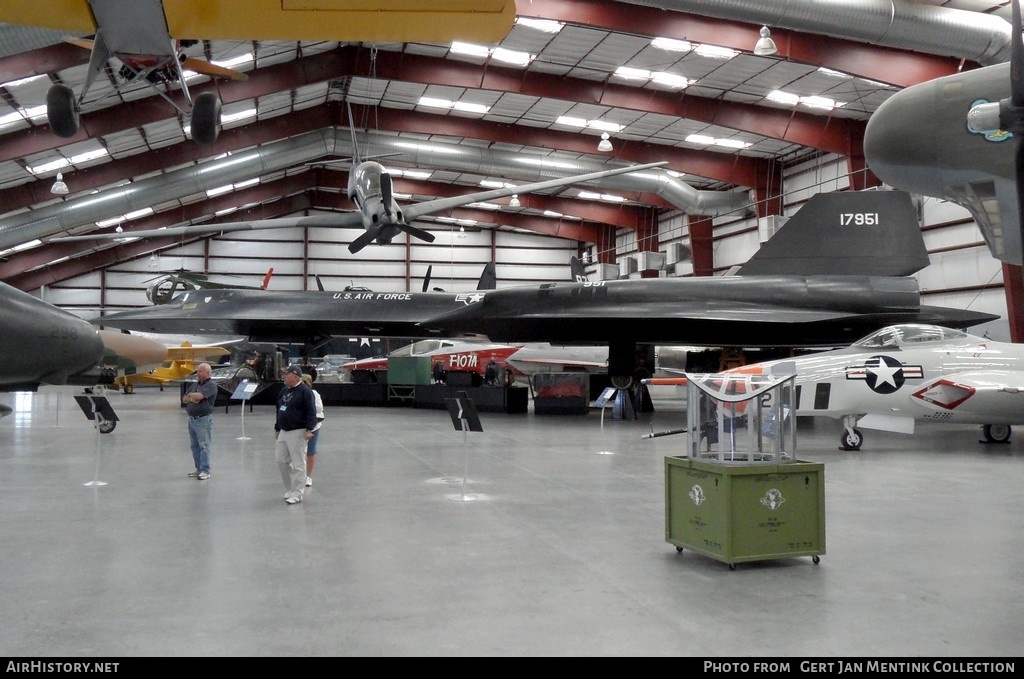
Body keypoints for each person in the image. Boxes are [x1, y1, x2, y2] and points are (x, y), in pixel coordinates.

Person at [274, 365, 318, 505]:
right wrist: (277, 427)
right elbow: (278, 409)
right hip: (284, 431)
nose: (284, 377)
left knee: (298, 463)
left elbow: (311, 411)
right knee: (281, 460)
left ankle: (297, 493)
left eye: (286, 374)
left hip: (298, 431)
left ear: (295, 375)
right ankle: (290, 488)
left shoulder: (305, 392)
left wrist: (309, 429)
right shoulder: (284, 390)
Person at [182, 362, 218, 480]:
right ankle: (199, 469)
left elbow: (199, 397)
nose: (197, 373)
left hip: (203, 420)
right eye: (197, 371)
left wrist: (193, 397)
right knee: (194, 446)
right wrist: (193, 397)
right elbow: (184, 399)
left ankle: (205, 470)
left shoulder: (211, 385)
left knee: (204, 445)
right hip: (192, 420)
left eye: (200, 371)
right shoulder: (194, 385)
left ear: (207, 373)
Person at [301, 373, 325, 487]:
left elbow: (320, 407)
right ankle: (299, 475)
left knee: (310, 452)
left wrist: (307, 405)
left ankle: (308, 476)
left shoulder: (314, 394)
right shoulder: (294, 393)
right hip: (298, 426)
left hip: (313, 427)